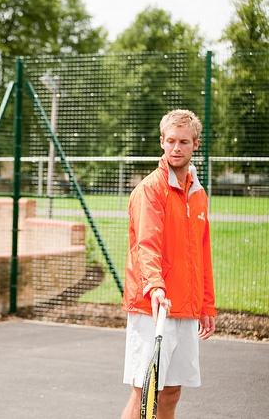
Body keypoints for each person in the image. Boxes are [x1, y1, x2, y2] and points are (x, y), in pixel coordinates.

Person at [120, 109, 216, 419]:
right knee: (144, 392)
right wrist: (155, 286)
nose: (176, 148)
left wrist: (206, 305)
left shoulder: (198, 194)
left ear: (195, 144)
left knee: (172, 392)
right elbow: (146, 244)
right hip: (153, 306)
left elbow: (202, 254)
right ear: (162, 142)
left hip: (185, 308)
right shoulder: (150, 189)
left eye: (183, 142)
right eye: (171, 141)